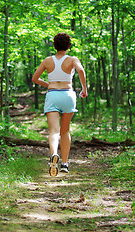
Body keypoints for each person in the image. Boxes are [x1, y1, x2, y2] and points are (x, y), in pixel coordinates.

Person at [32, 33, 87, 176]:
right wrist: (84, 89)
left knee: (54, 131)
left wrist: (49, 85)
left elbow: (35, 78)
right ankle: (65, 164)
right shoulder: (72, 59)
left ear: (54, 45)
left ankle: (53, 156)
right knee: (65, 131)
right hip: (68, 95)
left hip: (53, 95)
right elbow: (81, 70)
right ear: (69, 45)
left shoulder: (47, 61)